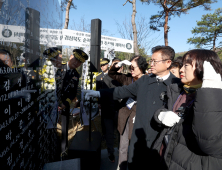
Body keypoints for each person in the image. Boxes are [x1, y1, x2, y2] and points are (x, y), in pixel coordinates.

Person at [84, 46, 180, 169]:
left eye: (155, 61)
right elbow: (123, 90)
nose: (151, 64)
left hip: (160, 140)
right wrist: (99, 93)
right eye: (151, 61)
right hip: (140, 136)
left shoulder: (177, 85)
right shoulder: (145, 80)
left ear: (168, 63)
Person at [152, 49, 222, 170]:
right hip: (167, 158)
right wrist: (160, 115)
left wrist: (210, 93)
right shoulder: (179, 90)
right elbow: (163, 109)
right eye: (182, 65)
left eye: (186, 65)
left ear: (203, 66)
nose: (181, 70)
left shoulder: (217, 97)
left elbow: (211, 143)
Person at [108, 56, 148, 170]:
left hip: (140, 115)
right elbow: (111, 74)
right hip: (125, 115)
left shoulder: (148, 80)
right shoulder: (127, 78)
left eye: (133, 67)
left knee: (138, 145)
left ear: (141, 67)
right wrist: (118, 64)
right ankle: (121, 166)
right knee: (123, 145)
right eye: (130, 67)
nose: (131, 70)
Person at [60, 49, 88, 153]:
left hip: (64, 104)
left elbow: (73, 92)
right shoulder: (59, 67)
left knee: (64, 127)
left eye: (79, 62)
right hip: (53, 100)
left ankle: (63, 150)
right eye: (75, 60)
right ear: (71, 57)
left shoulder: (76, 75)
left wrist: (65, 103)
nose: (76, 63)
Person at [96, 58, 121, 162]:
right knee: (109, 132)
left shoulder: (124, 78)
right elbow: (99, 92)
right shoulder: (102, 78)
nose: (117, 67)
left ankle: (121, 150)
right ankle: (111, 153)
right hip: (107, 108)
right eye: (114, 65)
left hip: (119, 109)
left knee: (120, 132)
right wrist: (100, 102)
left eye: (118, 65)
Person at [42, 47, 63, 129]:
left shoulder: (51, 68)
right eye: (60, 58)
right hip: (47, 108)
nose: (61, 60)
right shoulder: (47, 69)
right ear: (55, 59)